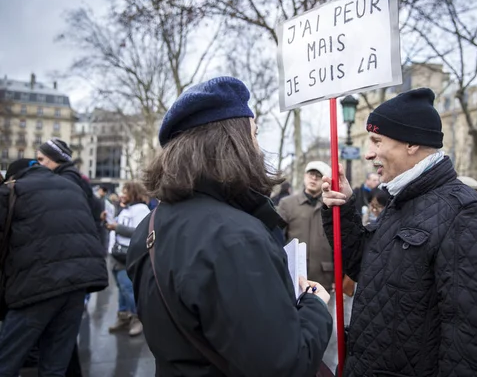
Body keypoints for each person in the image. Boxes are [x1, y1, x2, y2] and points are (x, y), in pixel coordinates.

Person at [126, 76, 332, 376]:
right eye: (255, 134)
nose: (259, 148)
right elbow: (286, 365)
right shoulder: (236, 238)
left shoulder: (148, 226)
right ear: (232, 142)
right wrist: (314, 306)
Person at [321, 87, 477, 377]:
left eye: (377, 141)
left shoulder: (463, 210)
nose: (369, 154)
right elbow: (362, 267)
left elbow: (471, 340)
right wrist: (341, 209)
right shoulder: (402, 200)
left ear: (411, 144)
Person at [0, 159, 108, 376]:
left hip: (35, 287)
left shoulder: (13, 189)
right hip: (78, 284)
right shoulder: (71, 187)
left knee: (6, 360)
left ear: (13, 176)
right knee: (55, 366)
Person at [279, 161, 334, 291]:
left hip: (324, 277)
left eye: (318, 175)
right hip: (292, 275)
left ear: (326, 181)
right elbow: (277, 239)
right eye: (311, 174)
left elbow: (339, 244)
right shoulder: (287, 204)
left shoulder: (332, 207)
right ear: (304, 176)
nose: (313, 178)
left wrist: (338, 278)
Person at [105, 181, 149, 337]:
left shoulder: (141, 209)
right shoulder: (126, 208)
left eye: (125, 192)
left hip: (127, 256)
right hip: (116, 254)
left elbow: (139, 231)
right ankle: (123, 316)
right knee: (122, 289)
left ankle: (138, 318)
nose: (121, 195)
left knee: (127, 288)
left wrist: (116, 227)